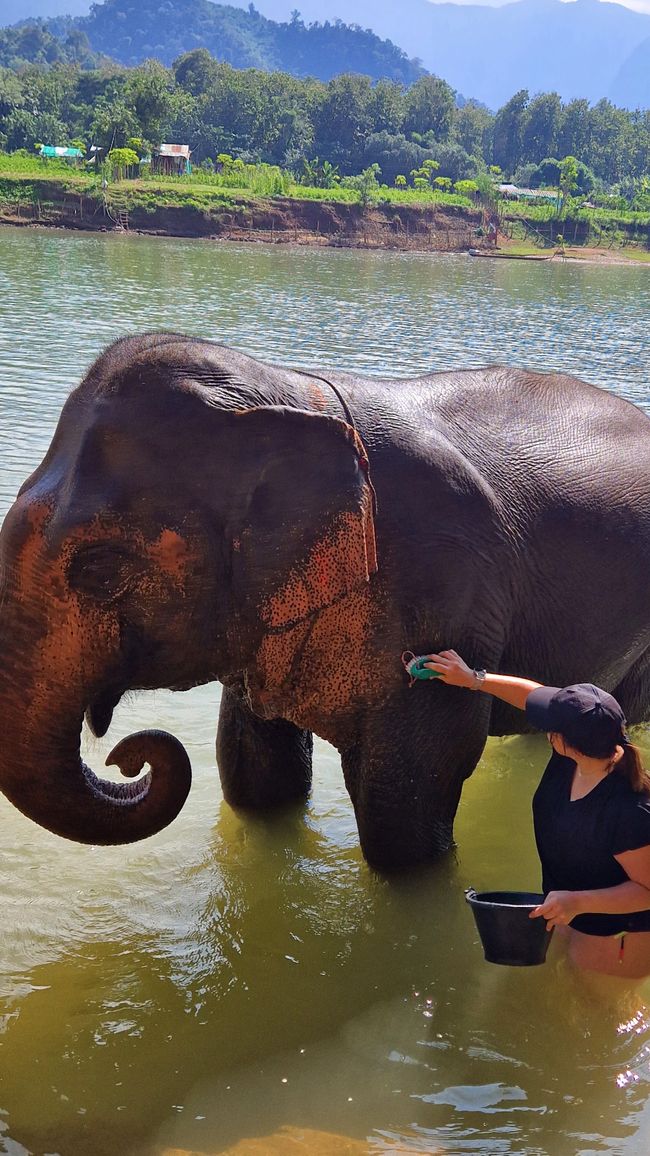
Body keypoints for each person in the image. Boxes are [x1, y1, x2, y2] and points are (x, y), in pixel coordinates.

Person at [425, 650, 650, 978]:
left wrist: (578, 903)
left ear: (565, 740)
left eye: (551, 723)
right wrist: (473, 678)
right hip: (566, 909)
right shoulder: (572, 756)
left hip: (616, 934)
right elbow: (531, 694)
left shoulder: (631, 812)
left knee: (598, 1008)